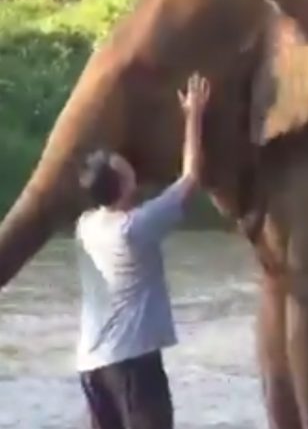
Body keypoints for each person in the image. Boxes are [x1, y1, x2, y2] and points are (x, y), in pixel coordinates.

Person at [74, 72, 210, 429]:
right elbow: (191, 177)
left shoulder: (86, 225)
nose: (131, 166)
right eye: (125, 169)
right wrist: (193, 115)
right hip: (132, 364)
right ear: (122, 186)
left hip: (91, 366)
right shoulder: (134, 229)